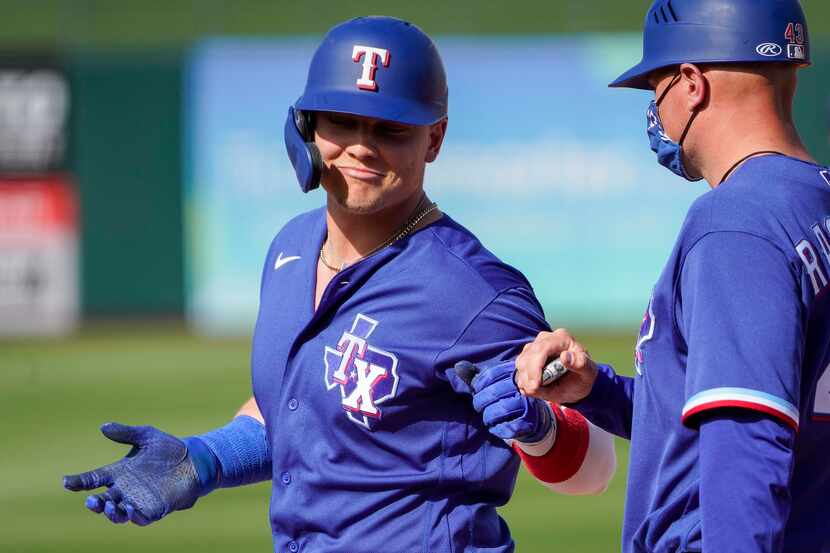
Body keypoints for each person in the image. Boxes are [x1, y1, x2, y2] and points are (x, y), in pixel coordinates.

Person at [63, 16, 615, 552]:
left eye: (390, 129)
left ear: (435, 138)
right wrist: (204, 459)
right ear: (306, 125)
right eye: (342, 121)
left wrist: (538, 428)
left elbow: (594, 466)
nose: (361, 146)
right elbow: (305, 408)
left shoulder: (474, 292)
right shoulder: (291, 249)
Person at [514, 1, 830, 552]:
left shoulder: (736, 224)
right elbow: (749, 408)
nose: (655, 110)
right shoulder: (815, 203)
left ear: (690, 83)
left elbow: (745, 442)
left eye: (655, 86)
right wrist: (599, 392)